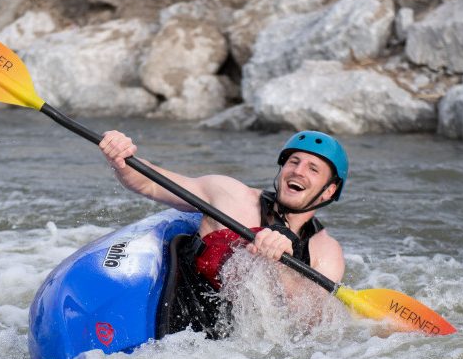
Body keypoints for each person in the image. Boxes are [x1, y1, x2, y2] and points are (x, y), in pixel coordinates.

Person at [99, 129, 348, 337]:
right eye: (293, 162)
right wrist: (122, 158)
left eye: (313, 169)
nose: (298, 171)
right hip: (182, 331)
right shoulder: (229, 195)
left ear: (328, 191)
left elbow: (313, 321)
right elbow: (149, 183)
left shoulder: (325, 250)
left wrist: (280, 267)